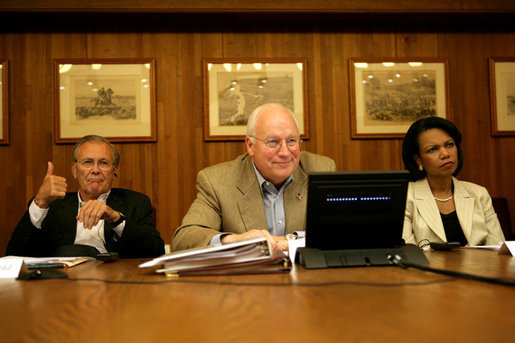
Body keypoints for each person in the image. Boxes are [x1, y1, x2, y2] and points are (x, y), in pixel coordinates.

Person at [172, 103, 336, 251]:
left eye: (292, 141)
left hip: (305, 279)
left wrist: (290, 240)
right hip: (246, 280)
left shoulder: (320, 170)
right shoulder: (217, 181)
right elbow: (184, 239)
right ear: (250, 145)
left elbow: (340, 232)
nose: (285, 152)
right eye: (273, 141)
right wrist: (236, 239)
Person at [6, 135, 165, 258]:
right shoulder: (52, 206)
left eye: (103, 163)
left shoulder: (136, 202)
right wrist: (40, 202)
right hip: (60, 283)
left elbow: (156, 252)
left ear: (114, 171)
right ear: (74, 171)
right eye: (88, 162)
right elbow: (14, 254)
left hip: (114, 282)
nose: (95, 170)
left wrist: (115, 218)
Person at [402, 116, 505, 247]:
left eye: (449, 145)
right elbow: (407, 253)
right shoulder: (405, 196)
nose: (445, 154)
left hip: (479, 267)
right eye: (432, 149)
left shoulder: (478, 193)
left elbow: (499, 249)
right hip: (426, 267)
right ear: (419, 160)